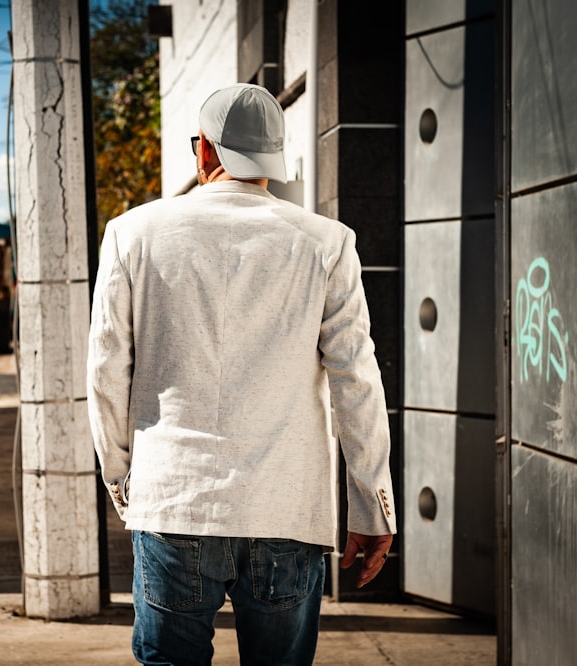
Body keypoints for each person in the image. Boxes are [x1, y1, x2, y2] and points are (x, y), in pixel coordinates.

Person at [86, 83, 397, 666]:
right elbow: (356, 378)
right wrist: (372, 505)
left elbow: (106, 372)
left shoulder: (132, 234)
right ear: (273, 160)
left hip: (174, 502)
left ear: (204, 150)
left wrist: (125, 483)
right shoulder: (328, 243)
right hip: (286, 509)